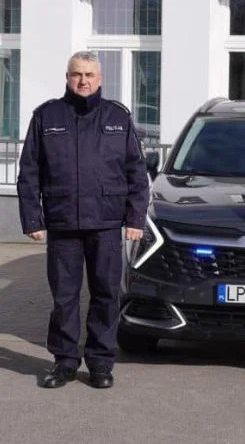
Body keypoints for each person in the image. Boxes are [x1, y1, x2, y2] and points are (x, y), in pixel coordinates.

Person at [17, 51, 149, 389]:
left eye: (89, 74)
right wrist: (33, 219)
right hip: (63, 224)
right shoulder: (47, 116)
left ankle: (101, 364)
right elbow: (29, 172)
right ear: (67, 78)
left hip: (106, 224)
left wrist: (135, 219)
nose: (83, 80)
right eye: (77, 74)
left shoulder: (117, 117)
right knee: (64, 297)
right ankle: (64, 361)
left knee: (105, 295)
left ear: (100, 79)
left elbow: (136, 172)